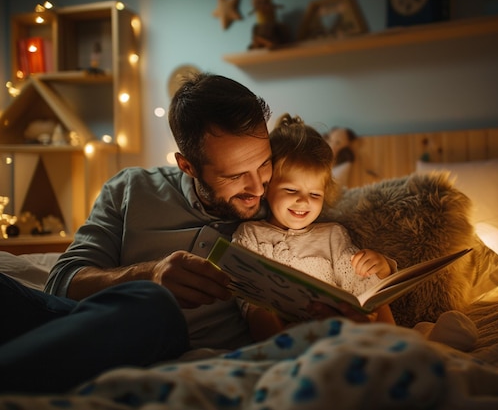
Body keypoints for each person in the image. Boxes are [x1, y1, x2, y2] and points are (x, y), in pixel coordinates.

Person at [0, 73, 367, 394]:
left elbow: (330, 237)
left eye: (264, 163)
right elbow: (61, 282)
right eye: (234, 176)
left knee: (152, 307)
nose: (258, 188)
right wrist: (148, 274)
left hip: (164, 349)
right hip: (88, 324)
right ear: (187, 165)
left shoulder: (283, 203)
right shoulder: (130, 189)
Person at [232, 114, 396, 341]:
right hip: (285, 337)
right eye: (291, 190)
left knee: (374, 298)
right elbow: (246, 293)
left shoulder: (333, 235)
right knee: (257, 307)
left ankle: (397, 345)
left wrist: (377, 267)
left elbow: (359, 286)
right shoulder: (252, 234)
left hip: (340, 333)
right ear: (266, 188)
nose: (304, 201)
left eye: (315, 194)